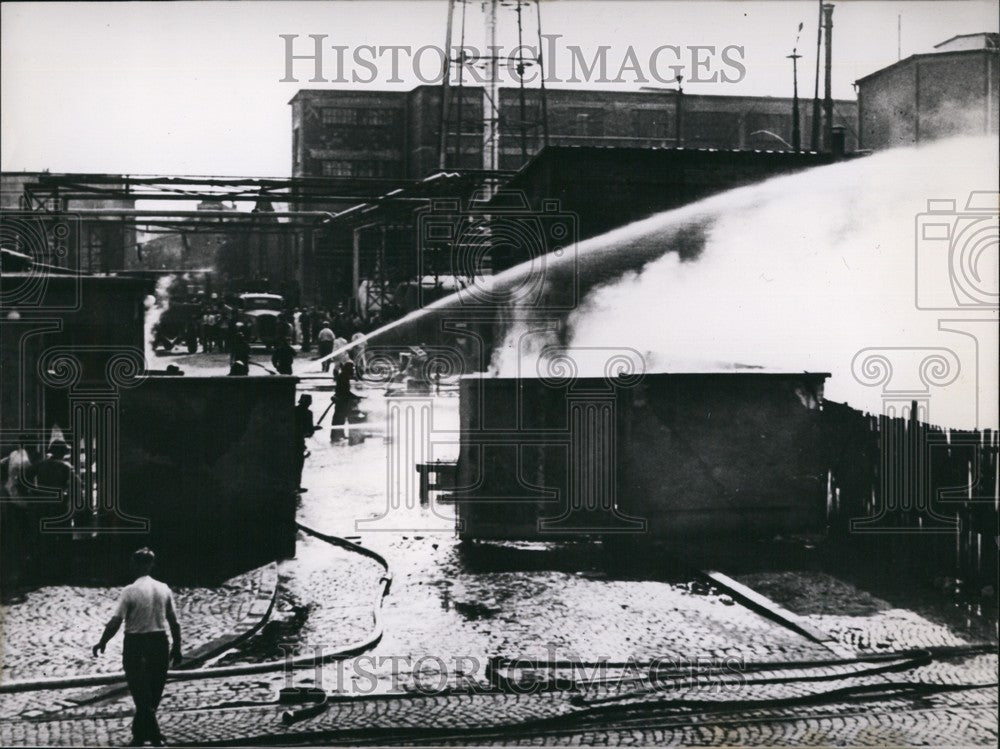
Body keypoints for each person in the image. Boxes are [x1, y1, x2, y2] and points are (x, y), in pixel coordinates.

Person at [92, 547, 182, 748]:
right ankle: (140, 736)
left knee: (141, 694)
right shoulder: (164, 588)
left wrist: (103, 641)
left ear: (134, 565)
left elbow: (115, 621)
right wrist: (177, 647)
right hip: (159, 643)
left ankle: (154, 736)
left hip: (136, 644)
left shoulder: (129, 591)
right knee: (153, 692)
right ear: (151, 565)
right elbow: (174, 623)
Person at [294, 394, 318, 491]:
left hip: (290, 440)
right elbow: (309, 432)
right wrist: (314, 429)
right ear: (309, 403)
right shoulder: (308, 413)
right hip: (299, 441)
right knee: (298, 465)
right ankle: (297, 486)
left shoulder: (293, 410)